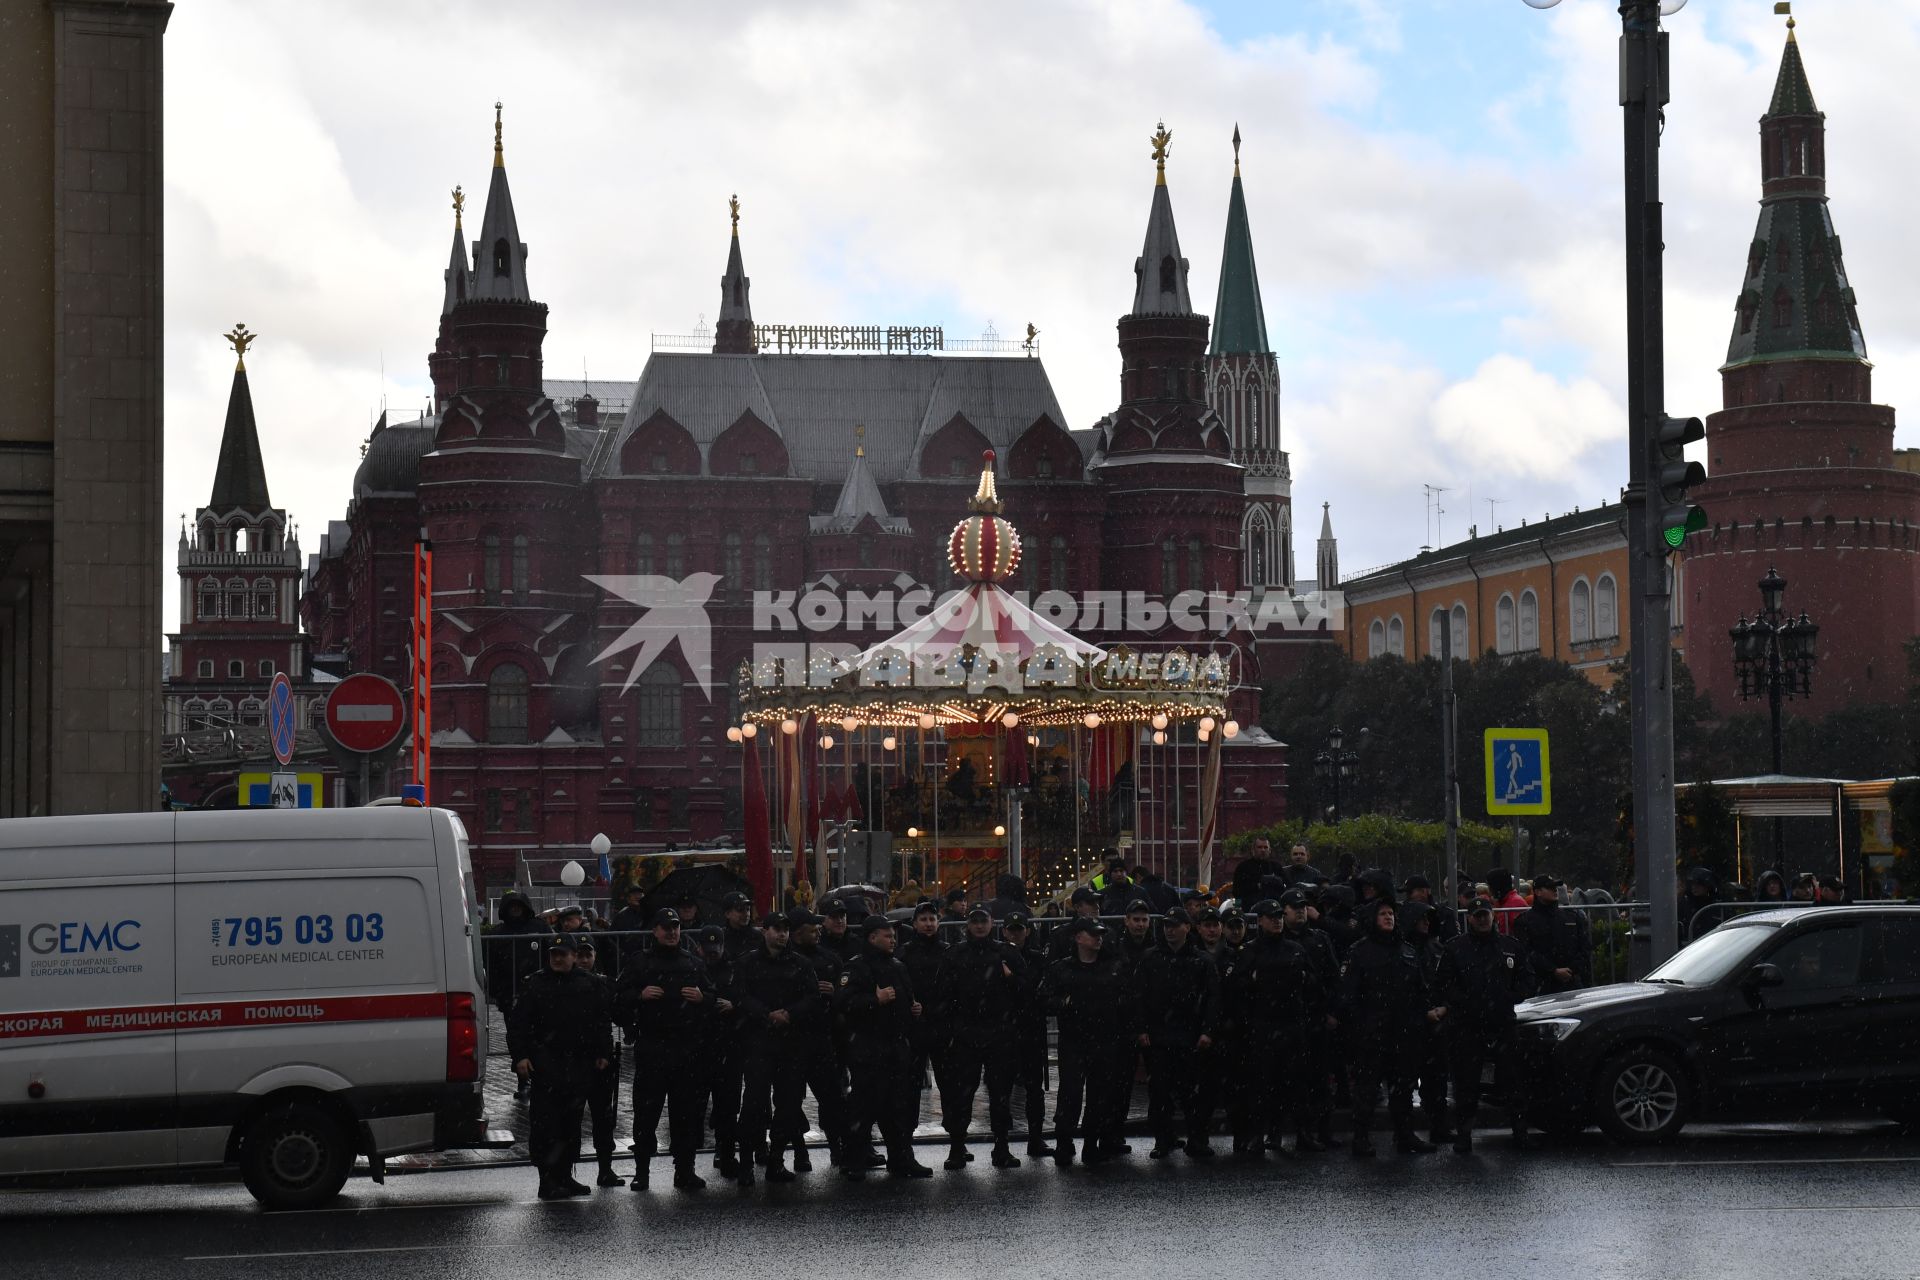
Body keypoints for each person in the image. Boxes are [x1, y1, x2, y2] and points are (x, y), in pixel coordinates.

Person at [614, 909, 713, 1190]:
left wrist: (702, 997)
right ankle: (642, 1171)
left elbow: (714, 1000)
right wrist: (639, 995)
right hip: (653, 1048)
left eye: (676, 926)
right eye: (665, 927)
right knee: (646, 1114)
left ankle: (685, 1170)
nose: (671, 932)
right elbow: (618, 1000)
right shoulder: (640, 963)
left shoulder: (693, 963)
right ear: (655, 930)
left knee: (686, 1115)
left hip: (686, 1050)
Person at [508, 935, 613, 1199]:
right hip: (547, 1063)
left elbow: (601, 1020)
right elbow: (518, 1024)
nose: (557, 958)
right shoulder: (535, 985)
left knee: (571, 1124)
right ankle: (547, 1180)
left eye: (562, 954)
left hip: (578, 1064)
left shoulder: (590, 984)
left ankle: (565, 1176)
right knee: (546, 1124)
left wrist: (603, 1051)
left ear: (574, 956)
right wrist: (520, 1057)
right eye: (553, 953)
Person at [1340, 899, 1439, 1157]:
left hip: (1404, 1032)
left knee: (1403, 1088)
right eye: (1383, 914)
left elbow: (1420, 989)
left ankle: (1404, 1135)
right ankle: (1361, 1138)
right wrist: (1360, 1027)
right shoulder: (1360, 951)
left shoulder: (1406, 950)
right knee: (1367, 1089)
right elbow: (1349, 994)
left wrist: (1419, 1018)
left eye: (1391, 913)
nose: (1388, 918)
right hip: (1373, 1032)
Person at [1434, 897, 1533, 1153]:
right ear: (1469, 918)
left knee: (1513, 1080)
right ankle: (1464, 1135)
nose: (1482, 919)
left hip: (1502, 1022)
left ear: (1492, 916)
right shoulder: (1455, 948)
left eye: (1485, 914)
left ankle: (1520, 1133)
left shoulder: (1510, 947)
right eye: (1477, 915)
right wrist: (1468, 1002)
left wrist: (1507, 997)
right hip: (1467, 1025)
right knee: (1466, 1083)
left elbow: (1526, 980)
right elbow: (1444, 983)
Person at [837, 918, 933, 1179]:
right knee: (864, 1106)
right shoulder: (857, 966)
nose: (893, 940)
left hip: (896, 1047)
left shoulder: (898, 965)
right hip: (868, 1047)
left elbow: (908, 999)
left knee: (898, 1107)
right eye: (887, 936)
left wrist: (915, 1010)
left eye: (894, 936)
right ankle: (855, 1160)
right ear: (872, 938)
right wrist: (873, 1000)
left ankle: (901, 1158)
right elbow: (845, 1003)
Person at [936, 906, 1029, 1168]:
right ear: (968, 925)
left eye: (983, 921)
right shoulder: (954, 954)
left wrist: (1010, 980)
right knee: (962, 1096)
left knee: (1001, 1096)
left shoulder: (1006, 952)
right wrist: (952, 1031)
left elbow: (1026, 990)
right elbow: (943, 994)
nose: (979, 926)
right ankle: (957, 1147)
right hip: (966, 1034)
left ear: (991, 923)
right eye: (974, 922)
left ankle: (1002, 1147)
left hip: (999, 1033)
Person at [1043, 919, 1140, 1165]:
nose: (1098, 939)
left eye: (1100, 935)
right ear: (1078, 937)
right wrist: (1066, 1003)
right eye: (1093, 934)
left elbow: (1128, 998)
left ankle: (1091, 1143)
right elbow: (1044, 999)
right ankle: (1064, 1143)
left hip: (1105, 1040)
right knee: (1071, 1094)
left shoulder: (1112, 967)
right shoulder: (1062, 968)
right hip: (1074, 1041)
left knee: (1100, 1095)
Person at [731, 910, 818, 1183]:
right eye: (776, 929)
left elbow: (812, 997)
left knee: (789, 1103)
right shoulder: (748, 963)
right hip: (759, 1041)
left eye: (785, 929)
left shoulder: (801, 964)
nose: (782, 934)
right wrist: (766, 1014)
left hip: (791, 1043)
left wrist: (789, 1014)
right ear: (764, 931)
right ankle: (746, 1162)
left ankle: (777, 1161)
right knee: (754, 1103)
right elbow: (740, 996)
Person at [1139, 909, 1220, 1159]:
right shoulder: (1151, 958)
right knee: (1160, 1092)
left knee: (1192, 1094)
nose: (1169, 930)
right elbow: (1139, 995)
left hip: (1190, 1036)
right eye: (1166, 925)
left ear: (1187, 927)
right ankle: (1163, 1140)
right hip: (1160, 1036)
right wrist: (1141, 1029)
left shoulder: (1201, 960)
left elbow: (1212, 999)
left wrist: (1207, 1030)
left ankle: (1197, 1139)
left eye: (1175, 925)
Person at [788, 908, 848, 1172]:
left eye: (817, 928)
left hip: (824, 1037)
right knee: (790, 1100)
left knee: (832, 1097)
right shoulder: (787, 960)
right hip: (793, 1039)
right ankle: (799, 1151)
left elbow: (847, 996)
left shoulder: (830, 959)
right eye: (811, 929)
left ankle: (837, 1147)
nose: (817, 932)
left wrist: (835, 993)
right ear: (797, 933)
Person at [1282, 888, 1341, 1149]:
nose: (1300, 911)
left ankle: (1324, 1130)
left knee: (1321, 1078)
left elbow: (1333, 977)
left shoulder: (1319, 938)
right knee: (1296, 1079)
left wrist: (1331, 1012)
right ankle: (1302, 1132)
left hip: (1317, 1017)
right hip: (1290, 1019)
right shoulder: (1278, 941)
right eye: (1294, 908)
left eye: (1303, 907)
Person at [1395, 902, 1453, 1149]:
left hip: (1436, 1023)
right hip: (1408, 1025)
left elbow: (1449, 981)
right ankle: (1405, 1132)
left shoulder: (1437, 948)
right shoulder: (1400, 950)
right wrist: (1421, 1012)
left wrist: (1444, 1007)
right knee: (1405, 1082)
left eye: (1429, 918)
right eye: (1422, 918)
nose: (1427, 922)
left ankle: (1439, 1126)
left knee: (1436, 1079)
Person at [569, 936, 626, 1187]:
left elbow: (612, 1017)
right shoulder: (561, 985)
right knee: (570, 1120)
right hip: (572, 1062)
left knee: (603, 1120)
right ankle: (567, 1174)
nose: (583, 960)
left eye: (587, 955)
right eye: (579, 955)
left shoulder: (604, 984)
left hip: (599, 1062)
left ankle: (605, 1169)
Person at [487, 891, 551, 1099]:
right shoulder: (498, 933)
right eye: (511, 906)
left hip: (540, 992)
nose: (515, 909)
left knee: (542, 1036)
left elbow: (552, 952)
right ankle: (523, 1080)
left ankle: (542, 1078)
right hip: (511, 995)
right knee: (517, 1038)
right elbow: (492, 966)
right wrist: (498, 993)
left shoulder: (539, 928)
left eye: (518, 905)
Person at [1001, 912, 1052, 1159]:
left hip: (1030, 1028)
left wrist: (1013, 979)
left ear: (1027, 932)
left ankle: (1036, 1138)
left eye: (1019, 929)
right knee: (1003, 1088)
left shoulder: (1036, 958)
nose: (1015, 934)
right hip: (1006, 1030)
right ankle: (1001, 1144)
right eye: (1011, 929)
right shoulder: (999, 956)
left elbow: (1036, 990)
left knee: (1034, 1088)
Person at [1513, 875, 1591, 995]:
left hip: (1572, 983)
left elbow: (1584, 947)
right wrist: (1552, 970)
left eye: (1555, 887)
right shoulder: (1525, 921)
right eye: (1550, 887)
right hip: (1541, 984)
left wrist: (1572, 969)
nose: (1555, 890)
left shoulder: (1572, 917)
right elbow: (1526, 952)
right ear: (1538, 892)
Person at [1048, 887, 1102, 961]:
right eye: (1091, 903)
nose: (1097, 907)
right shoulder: (1061, 935)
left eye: (1097, 902)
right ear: (1077, 907)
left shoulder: (1106, 933)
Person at [1402, 874, 1456, 943]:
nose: (1407, 897)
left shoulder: (1444, 914)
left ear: (1423, 892)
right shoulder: (1405, 912)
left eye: (1409, 893)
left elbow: (1452, 943)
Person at [1231, 836, 1283, 906]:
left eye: (1265, 847)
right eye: (1259, 847)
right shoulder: (1243, 867)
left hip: (1273, 908)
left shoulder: (1276, 867)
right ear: (1253, 850)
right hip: (1250, 908)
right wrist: (1257, 885)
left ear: (1270, 850)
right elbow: (1236, 892)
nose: (1263, 850)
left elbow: (1285, 887)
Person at [610, 883, 650, 965]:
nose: (638, 897)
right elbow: (612, 937)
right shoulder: (621, 916)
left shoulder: (650, 914)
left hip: (647, 957)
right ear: (628, 899)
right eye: (634, 894)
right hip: (628, 958)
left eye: (640, 894)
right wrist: (621, 953)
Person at [1484, 867, 1528, 935]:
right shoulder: (1502, 902)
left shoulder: (1515, 903)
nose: (1489, 890)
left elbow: (1521, 933)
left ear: (1497, 886)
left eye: (1490, 886)